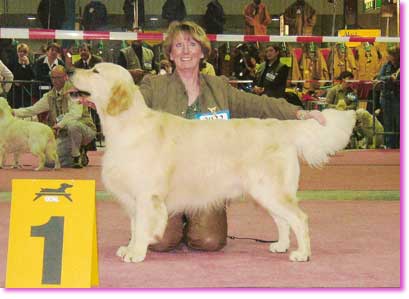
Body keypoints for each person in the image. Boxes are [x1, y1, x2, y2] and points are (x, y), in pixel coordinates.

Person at [139, 21, 326, 253]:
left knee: (209, 241)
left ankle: (191, 222)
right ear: (170, 53)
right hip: (168, 185)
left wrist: (299, 112)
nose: (185, 51)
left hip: (210, 183)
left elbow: (258, 104)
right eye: (178, 45)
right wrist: (100, 97)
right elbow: (129, 103)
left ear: (202, 51)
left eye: (192, 45)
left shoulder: (219, 87)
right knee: (160, 242)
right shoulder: (154, 86)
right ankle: (170, 221)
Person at [13, 65, 96, 168]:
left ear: (65, 77)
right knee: (50, 162)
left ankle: (76, 156)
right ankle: (78, 154)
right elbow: (32, 110)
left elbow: (76, 114)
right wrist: (12, 112)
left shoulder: (74, 92)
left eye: (58, 77)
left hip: (85, 129)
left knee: (73, 125)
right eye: (53, 78)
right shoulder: (49, 96)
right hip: (64, 134)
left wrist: (59, 125)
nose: (55, 81)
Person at [377, 46, 400, 149]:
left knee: (400, 122)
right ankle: (389, 145)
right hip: (386, 97)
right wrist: (389, 78)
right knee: (388, 122)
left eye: (391, 54)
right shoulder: (385, 66)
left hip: (399, 97)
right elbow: (379, 78)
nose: (388, 56)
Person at [7, 43, 35, 108]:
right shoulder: (12, 62)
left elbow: (33, 75)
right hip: (14, 92)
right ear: (17, 52)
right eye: (20, 51)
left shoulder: (30, 63)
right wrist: (19, 64)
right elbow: (13, 75)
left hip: (26, 92)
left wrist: (28, 65)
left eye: (24, 52)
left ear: (27, 53)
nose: (22, 53)